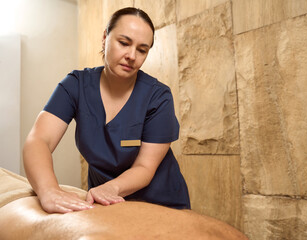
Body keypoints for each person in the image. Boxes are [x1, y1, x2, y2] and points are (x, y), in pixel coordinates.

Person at [23, 7, 190, 214]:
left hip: (162, 204)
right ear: (105, 37)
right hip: (105, 205)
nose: (131, 56)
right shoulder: (75, 86)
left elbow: (145, 168)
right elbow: (39, 141)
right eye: (124, 43)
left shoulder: (158, 97)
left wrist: (110, 188)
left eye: (142, 49)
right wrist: (48, 191)